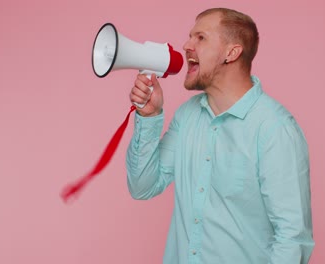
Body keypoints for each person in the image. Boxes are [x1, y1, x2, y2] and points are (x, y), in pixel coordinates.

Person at [126, 7, 314, 264]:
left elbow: (293, 239)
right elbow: (142, 187)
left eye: (200, 38)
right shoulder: (187, 116)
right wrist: (149, 116)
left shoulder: (275, 129)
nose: (186, 45)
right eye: (190, 36)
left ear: (231, 52)